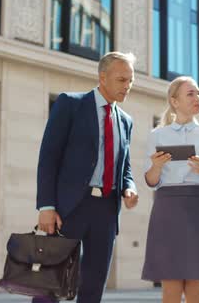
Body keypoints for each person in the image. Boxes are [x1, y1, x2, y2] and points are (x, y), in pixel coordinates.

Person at [35, 51, 139, 303]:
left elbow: (124, 166)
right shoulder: (70, 104)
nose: (128, 86)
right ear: (102, 77)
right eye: (122, 80)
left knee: (94, 283)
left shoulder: (126, 121)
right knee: (52, 281)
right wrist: (46, 206)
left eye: (131, 81)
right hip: (70, 207)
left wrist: (129, 186)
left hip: (106, 209)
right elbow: (49, 155)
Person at [141, 76, 199, 303]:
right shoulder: (156, 135)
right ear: (174, 101)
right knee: (170, 285)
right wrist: (157, 166)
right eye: (191, 93)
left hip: (198, 209)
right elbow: (150, 180)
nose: (198, 97)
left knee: (196, 284)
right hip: (167, 209)